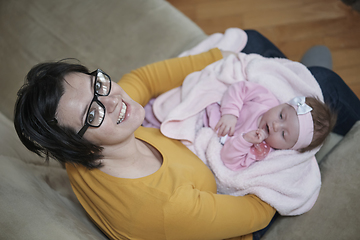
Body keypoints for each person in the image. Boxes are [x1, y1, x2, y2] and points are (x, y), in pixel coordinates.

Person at [13, 30, 360, 240]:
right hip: (234, 220)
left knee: (249, 41)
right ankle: (316, 79)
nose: (113, 99)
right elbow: (258, 212)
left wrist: (218, 56)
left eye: (98, 83)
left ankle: (304, 78)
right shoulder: (163, 207)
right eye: (92, 111)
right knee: (322, 85)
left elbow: (142, 81)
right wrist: (273, 140)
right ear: (73, 144)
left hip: (197, 164)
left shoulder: (85, 144)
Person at [209, 79, 337, 170]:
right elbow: (240, 88)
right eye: (281, 116)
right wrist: (230, 113)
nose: (276, 126)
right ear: (282, 105)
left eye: (283, 134)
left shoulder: (260, 150)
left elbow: (229, 161)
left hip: (207, 129)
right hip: (212, 103)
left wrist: (245, 140)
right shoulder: (266, 101)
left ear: (287, 148)